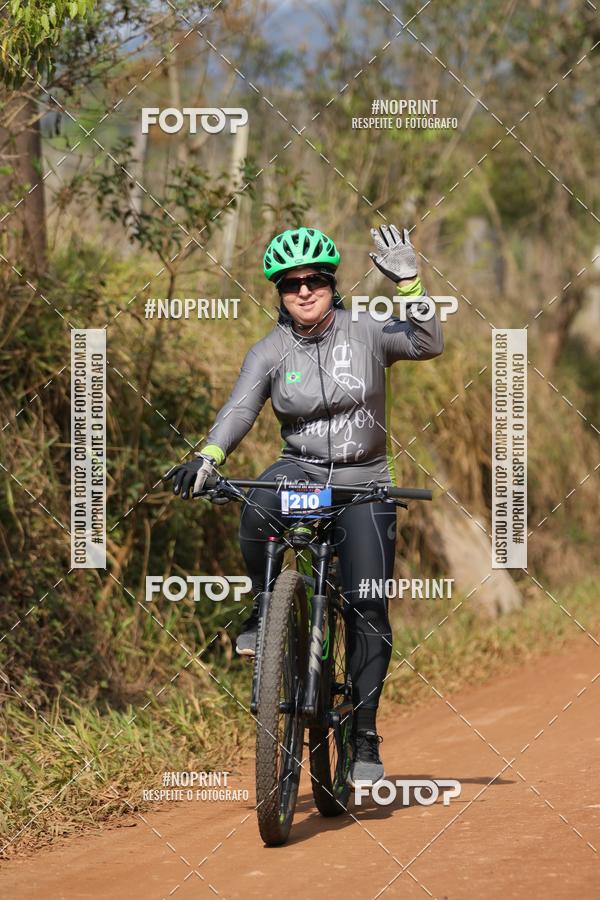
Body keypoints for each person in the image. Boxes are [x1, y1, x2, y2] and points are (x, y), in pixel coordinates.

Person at [165, 225, 443, 785]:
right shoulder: (269, 351)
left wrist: (410, 282)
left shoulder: (365, 330)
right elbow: (240, 410)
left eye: (315, 281)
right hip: (303, 469)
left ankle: (363, 734)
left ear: (331, 285)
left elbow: (427, 341)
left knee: (367, 607)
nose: (304, 291)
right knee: (257, 498)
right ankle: (267, 606)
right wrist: (209, 457)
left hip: (365, 479)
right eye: (292, 285)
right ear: (279, 293)